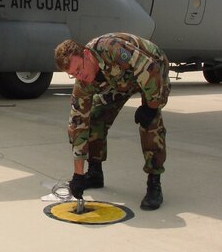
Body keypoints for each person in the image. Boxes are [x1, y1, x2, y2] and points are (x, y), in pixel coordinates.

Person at [54, 32, 170, 210]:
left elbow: (148, 67)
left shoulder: (112, 49)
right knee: (94, 117)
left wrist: (151, 107)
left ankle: (154, 183)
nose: (79, 76)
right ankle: (94, 173)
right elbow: (78, 124)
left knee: (150, 122)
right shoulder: (83, 82)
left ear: (86, 54)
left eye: (79, 69)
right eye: (73, 74)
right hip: (118, 81)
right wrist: (78, 174)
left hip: (152, 70)